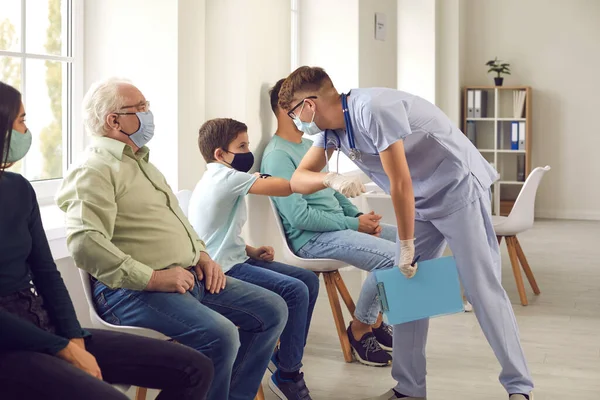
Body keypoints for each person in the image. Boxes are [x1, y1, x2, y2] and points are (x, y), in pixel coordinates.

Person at [278, 66, 534, 400]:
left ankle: (519, 388)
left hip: (458, 189)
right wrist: (329, 179)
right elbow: (298, 179)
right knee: (408, 289)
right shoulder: (334, 132)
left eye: (294, 112)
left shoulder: (372, 110)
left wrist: (406, 243)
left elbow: (400, 181)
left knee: (481, 287)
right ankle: (410, 389)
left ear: (309, 105)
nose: (296, 121)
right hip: (422, 201)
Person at [55, 78, 287, 400]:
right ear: (114, 120)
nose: (149, 113)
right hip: (131, 291)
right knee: (221, 336)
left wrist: (203, 256)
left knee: (273, 309)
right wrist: (153, 278)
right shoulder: (94, 168)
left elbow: (180, 222)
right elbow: (85, 243)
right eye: (141, 108)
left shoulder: (142, 163)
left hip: (187, 276)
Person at [0, 81, 214, 400]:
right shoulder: (94, 168)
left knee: (195, 369)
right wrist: (62, 348)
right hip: (9, 344)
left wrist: (72, 335)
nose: (26, 130)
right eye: (21, 120)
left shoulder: (19, 188)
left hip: (42, 322)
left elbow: (47, 274)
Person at [261, 79, 396, 367]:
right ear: (290, 110)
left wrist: (359, 217)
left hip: (338, 226)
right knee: (393, 259)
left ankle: (378, 322)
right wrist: (351, 223)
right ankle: (360, 329)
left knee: (415, 243)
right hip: (310, 239)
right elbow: (299, 217)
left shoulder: (311, 145)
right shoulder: (276, 156)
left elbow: (331, 193)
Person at [189, 118, 318, 400]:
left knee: (307, 279)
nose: (248, 151)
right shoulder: (225, 176)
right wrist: (323, 165)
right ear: (220, 154)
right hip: (222, 269)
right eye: (242, 146)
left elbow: (217, 234)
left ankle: (284, 359)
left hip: (236, 258)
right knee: (294, 290)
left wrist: (252, 250)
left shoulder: (218, 177)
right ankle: (289, 373)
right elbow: (287, 187)